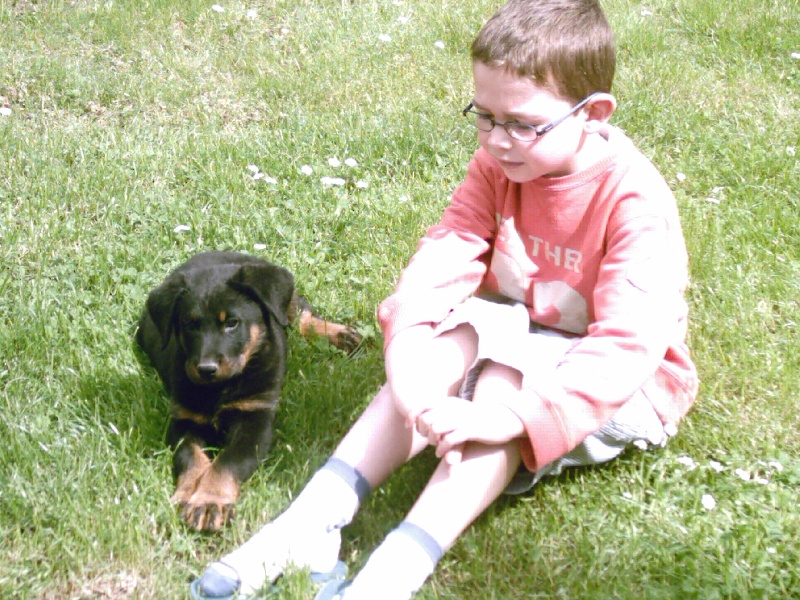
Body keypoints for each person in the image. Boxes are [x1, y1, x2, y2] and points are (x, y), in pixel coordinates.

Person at [190, 0, 698, 598]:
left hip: (623, 386)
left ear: (593, 113)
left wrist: (508, 417)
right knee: (454, 334)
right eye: (485, 116)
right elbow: (449, 250)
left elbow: (626, 346)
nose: (498, 140)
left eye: (522, 123)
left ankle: (394, 573)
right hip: (526, 330)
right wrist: (406, 356)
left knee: (507, 373)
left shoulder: (634, 200)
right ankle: (312, 521)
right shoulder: (501, 164)